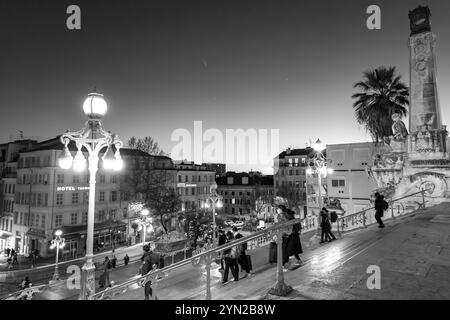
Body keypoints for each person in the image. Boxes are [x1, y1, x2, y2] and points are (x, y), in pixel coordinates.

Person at [278, 205, 303, 270]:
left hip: (289, 235)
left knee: (287, 250)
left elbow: (284, 226)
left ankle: (285, 264)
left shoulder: (285, 217)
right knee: (292, 249)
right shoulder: (291, 217)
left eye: (278, 209)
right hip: (293, 234)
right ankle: (297, 260)